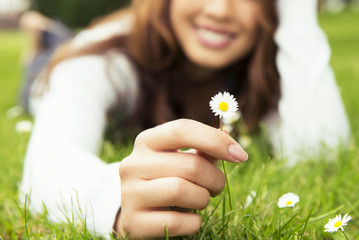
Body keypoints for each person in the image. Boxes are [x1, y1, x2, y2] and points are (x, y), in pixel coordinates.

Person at [19, 0, 350, 238]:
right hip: (61, 65)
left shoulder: (263, 66)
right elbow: (46, 160)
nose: (219, 9)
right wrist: (113, 200)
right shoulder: (103, 58)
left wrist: (299, 18)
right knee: (50, 61)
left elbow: (323, 151)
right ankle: (43, 36)